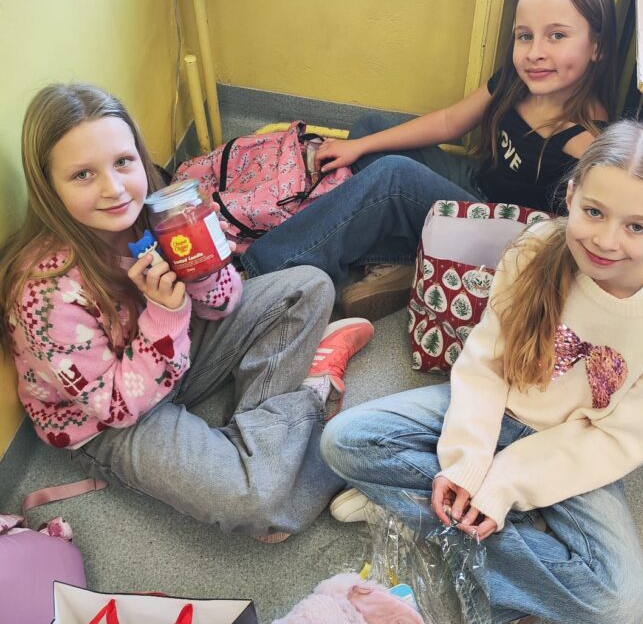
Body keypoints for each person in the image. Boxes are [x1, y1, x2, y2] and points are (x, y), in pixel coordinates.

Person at [320, 121, 643, 624]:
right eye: (593, 212)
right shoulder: (535, 247)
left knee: (618, 604)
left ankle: (424, 511)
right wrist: (466, 463)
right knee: (344, 440)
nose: (607, 241)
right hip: (497, 406)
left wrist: (503, 484)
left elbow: (620, 439)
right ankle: (490, 537)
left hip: (575, 446)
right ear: (571, 195)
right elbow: (486, 363)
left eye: (636, 227)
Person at [0, 84, 374, 541]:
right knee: (257, 504)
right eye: (82, 175)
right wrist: (165, 312)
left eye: (123, 162)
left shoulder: (154, 215)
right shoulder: (43, 293)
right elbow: (116, 407)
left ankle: (261, 456)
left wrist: (205, 269)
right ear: (49, 188)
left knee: (309, 286)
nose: (114, 189)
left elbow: (225, 303)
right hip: (107, 418)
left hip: (173, 354)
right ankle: (309, 404)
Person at [240, 0, 617, 320]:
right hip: (476, 185)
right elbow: (450, 122)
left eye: (557, 35)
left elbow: (565, 245)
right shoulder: (517, 80)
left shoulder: (587, 144)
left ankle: (264, 273)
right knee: (371, 129)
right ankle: (410, 263)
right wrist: (360, 146)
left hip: (498, 233)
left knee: (393, 177)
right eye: (525, 36)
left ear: (597, 47)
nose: (535, 52)